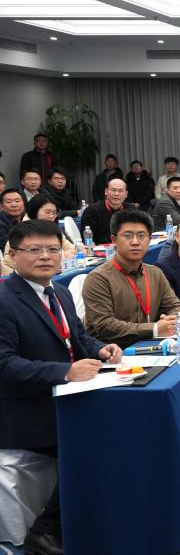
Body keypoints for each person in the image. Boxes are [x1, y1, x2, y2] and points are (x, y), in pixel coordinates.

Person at [0, 220, 123, 555]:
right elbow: (5, 364)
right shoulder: (5, 300)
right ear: (12, 255)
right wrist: (65, 372)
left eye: (53, 249)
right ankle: (44, 533)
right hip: (26, 410)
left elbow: (77, 336)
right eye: (34, 249)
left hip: (65, 398)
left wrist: (101, 349)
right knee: (94, 440)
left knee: (125, 420)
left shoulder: (60, 291)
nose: (45, 256)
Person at [82, 209, 180, 347]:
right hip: (112, 352)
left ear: (149, 239)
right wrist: (154, 328)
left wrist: (171, 321)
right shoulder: (98, 279)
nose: (135, 242)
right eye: (128, 236)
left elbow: (176, 306)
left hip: (151, 346)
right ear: (114, 240)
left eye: (141, 236)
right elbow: (104, 325)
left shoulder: (155, 273)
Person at [2, 195, 76, 276]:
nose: (51, 216)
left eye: (54, 213)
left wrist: (65, 255)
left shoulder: (52, 229)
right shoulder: (22, 232)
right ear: (35, 211)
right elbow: (9, 261)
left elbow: (71, 248)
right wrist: (63, 257)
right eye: (47, 212)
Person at [81, 177, 128, 245]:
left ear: (126, 194)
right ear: (106, 191)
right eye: (113, 190)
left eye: (120, 191)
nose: (116, 194)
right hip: (101, 249)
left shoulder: (131, 210)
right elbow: (86, 239)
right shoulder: (92, 211)